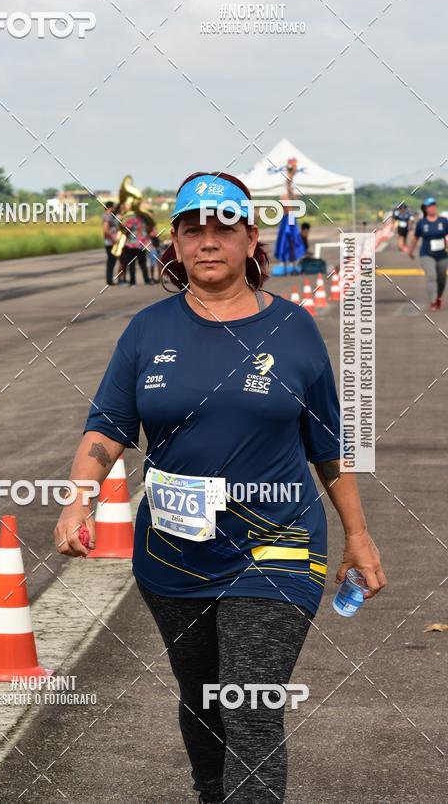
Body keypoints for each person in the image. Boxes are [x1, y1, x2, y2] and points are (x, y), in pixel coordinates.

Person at [54, 171, 386, 804]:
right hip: (174, 552)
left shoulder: (293, 330)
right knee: (203, 699)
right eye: (192, 229)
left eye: (222, 228)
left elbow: (327, 448)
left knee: (252, 705)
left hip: (278, 545)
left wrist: (359, 536)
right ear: (174, 243)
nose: (208, 242)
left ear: (249, 239)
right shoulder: (148, 332)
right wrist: (78, 497)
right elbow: (108, 428)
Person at [409, 196, 448, 310]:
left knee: (441, 279)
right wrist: (411, 250)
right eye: (430, 206)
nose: (432, 208)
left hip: (442, 255)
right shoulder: (422, 223)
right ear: (425, 209)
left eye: (434, 205)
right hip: (426, 254)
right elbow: (415, 238)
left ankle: (438, 297)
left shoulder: (443, 221)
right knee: (431, 275)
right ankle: (433, 301)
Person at [121, 208, 154, 286]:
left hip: (130, 245)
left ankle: (133, 282)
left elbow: (124, 230)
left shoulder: (130, 220)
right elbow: (149, 229)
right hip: (141, 245)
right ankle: (147, 281)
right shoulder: (144, 221)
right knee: (143, 264)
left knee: (131, 264)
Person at [102, 201, 120, 285]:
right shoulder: (108, 216)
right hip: (110, 242)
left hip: (111, 241)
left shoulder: (109, 216)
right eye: (113, 207)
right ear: (110, 207)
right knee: (111, 261)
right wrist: (113, 239)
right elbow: (105, 230)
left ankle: (110, 280)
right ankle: (109, 280)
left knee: (112, 261)